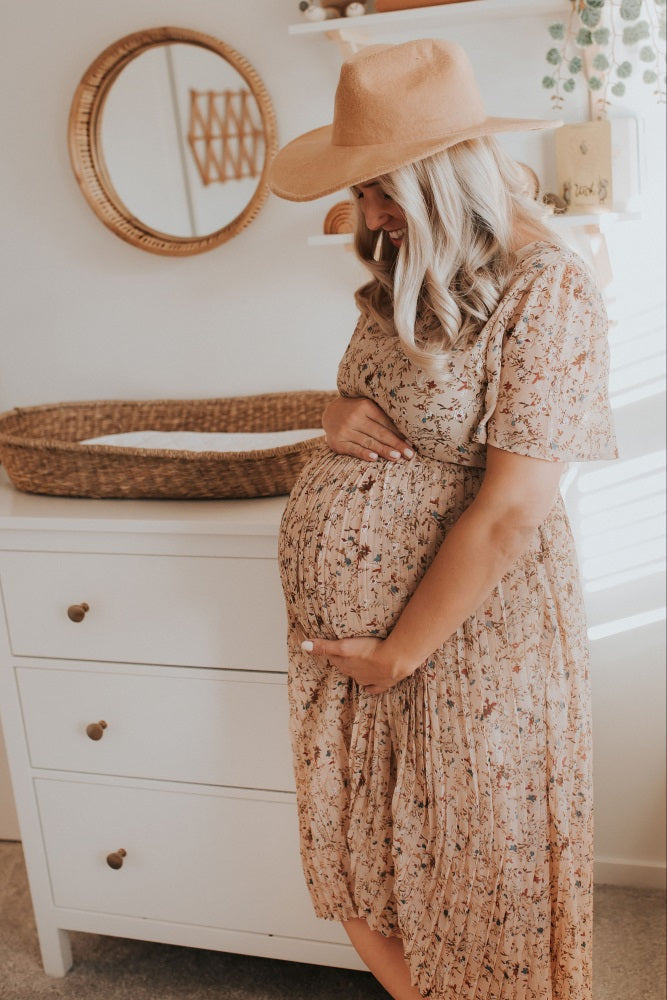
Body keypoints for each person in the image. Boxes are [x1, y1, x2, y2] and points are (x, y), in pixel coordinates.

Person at [268, 38, 617, 1000]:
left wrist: (398, 653)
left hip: (464, 644)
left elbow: (512, 511)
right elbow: (373, 399)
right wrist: (332, 413)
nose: (369, 215)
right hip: (368, 654)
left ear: (442, 176)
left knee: (477, 885)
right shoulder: (412, 267)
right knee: (361, 864)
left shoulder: (548, 286)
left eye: (382, 190)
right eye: (363, 192)